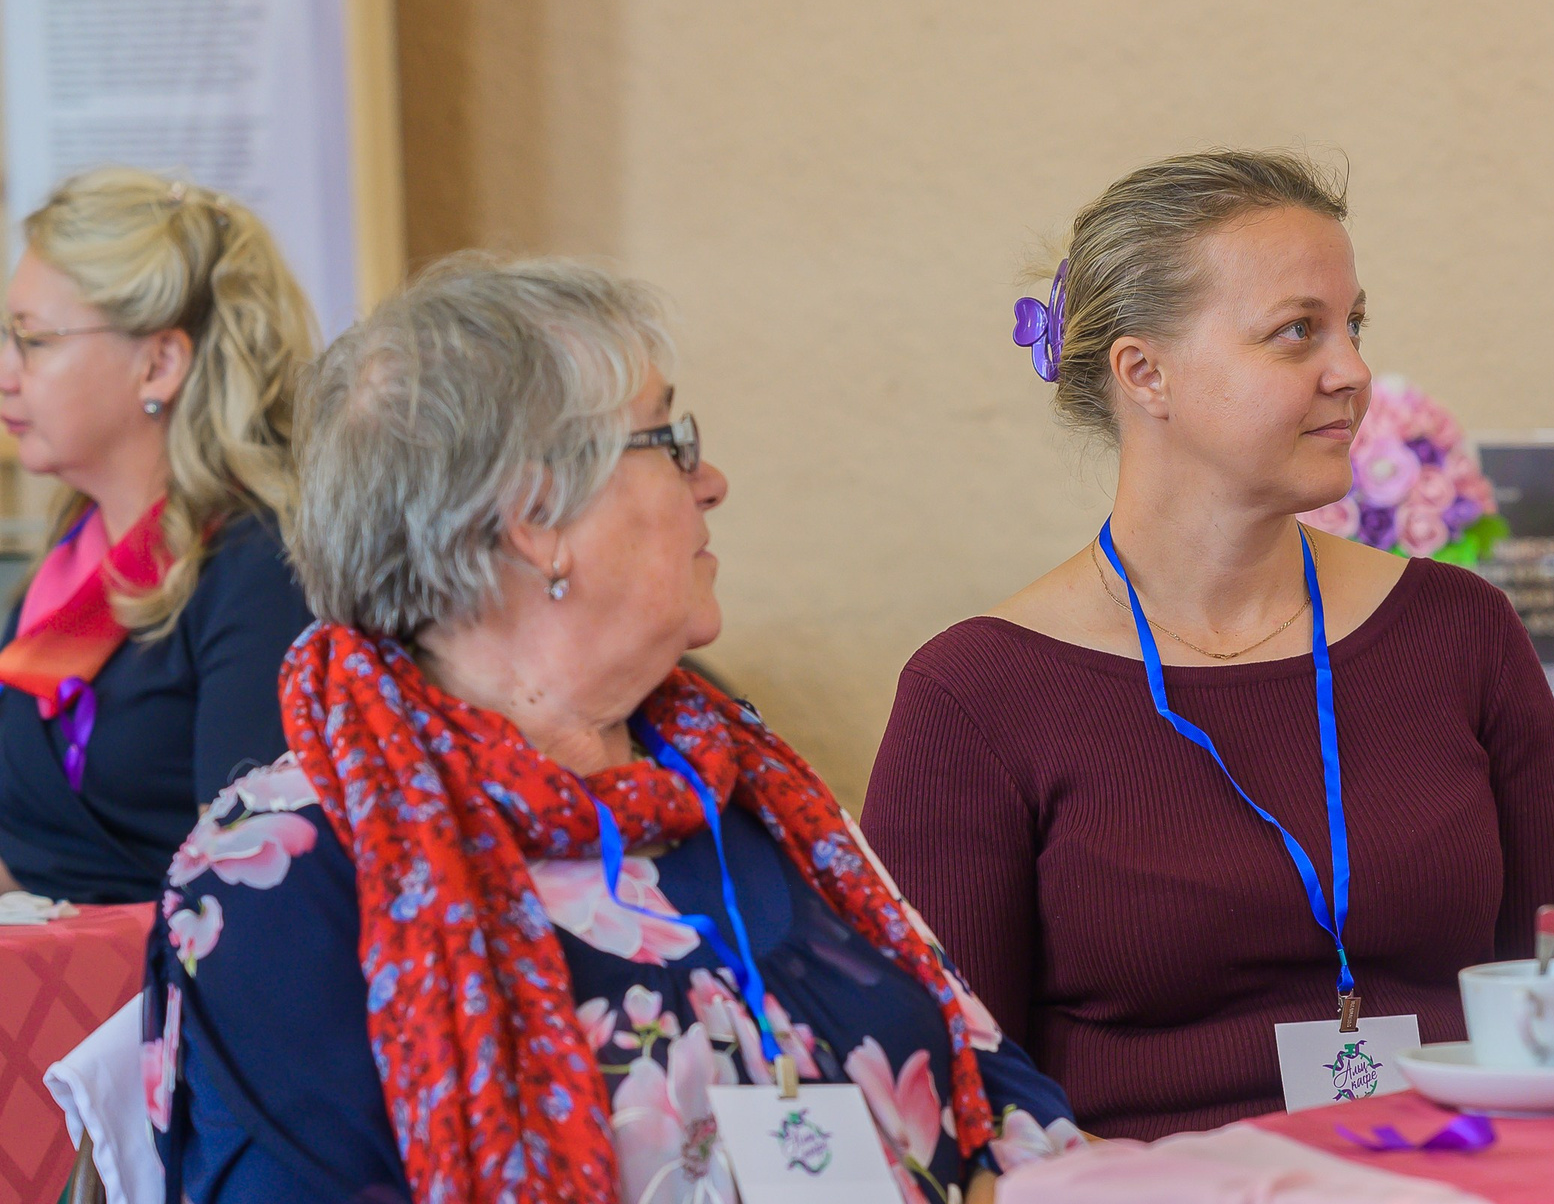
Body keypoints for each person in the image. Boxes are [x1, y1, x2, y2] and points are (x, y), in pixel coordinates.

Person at [143, 256, 1081, 1204]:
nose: (711, 482)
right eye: (671, 442)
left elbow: (997, 1100)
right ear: (534, 520)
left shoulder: (742, 785)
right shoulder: (283, 873)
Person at [861, 151, 1554, 1139]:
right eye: (1298, 331)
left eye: (1353, 325)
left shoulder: (1459, 629)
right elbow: (950, 1101)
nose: (1353, 370)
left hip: (1460, 1168)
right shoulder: (976, 696)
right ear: (1145, 373)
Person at [0, 169, 313, 904]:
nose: (7, 372)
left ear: (160, 364)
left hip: (155, 975)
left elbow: (243, 893)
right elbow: (30, 849)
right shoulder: (70, 554)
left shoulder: (260, 569)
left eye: (34, 340)